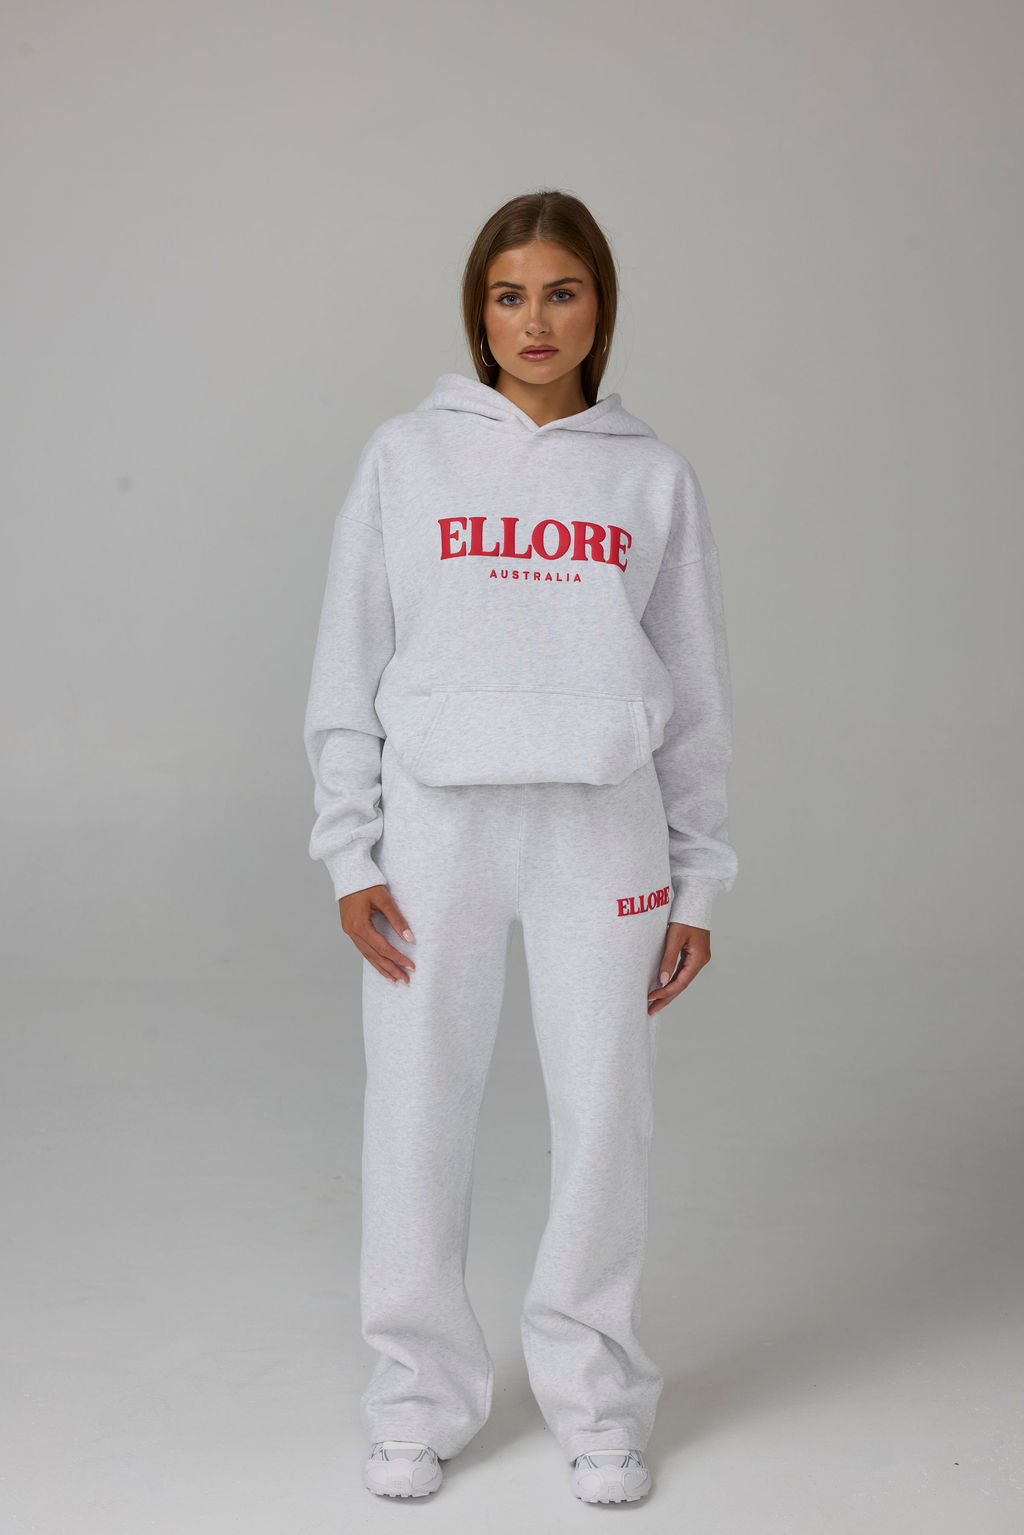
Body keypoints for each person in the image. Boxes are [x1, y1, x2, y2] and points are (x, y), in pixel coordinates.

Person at [302, 189, 739, 1505]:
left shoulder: (650, 477)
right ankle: (417, 1397)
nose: (534, 321)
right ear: (477, 312)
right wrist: (352, 853)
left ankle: (596, 1398)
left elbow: (696, 692)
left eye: (561, 291)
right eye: (508, 295)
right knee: (415, 1111)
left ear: (600, 306)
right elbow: (349, 657)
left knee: (606, 1118)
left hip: (603, 831)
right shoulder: (406, 458)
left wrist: (699, 878)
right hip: (437, 825)